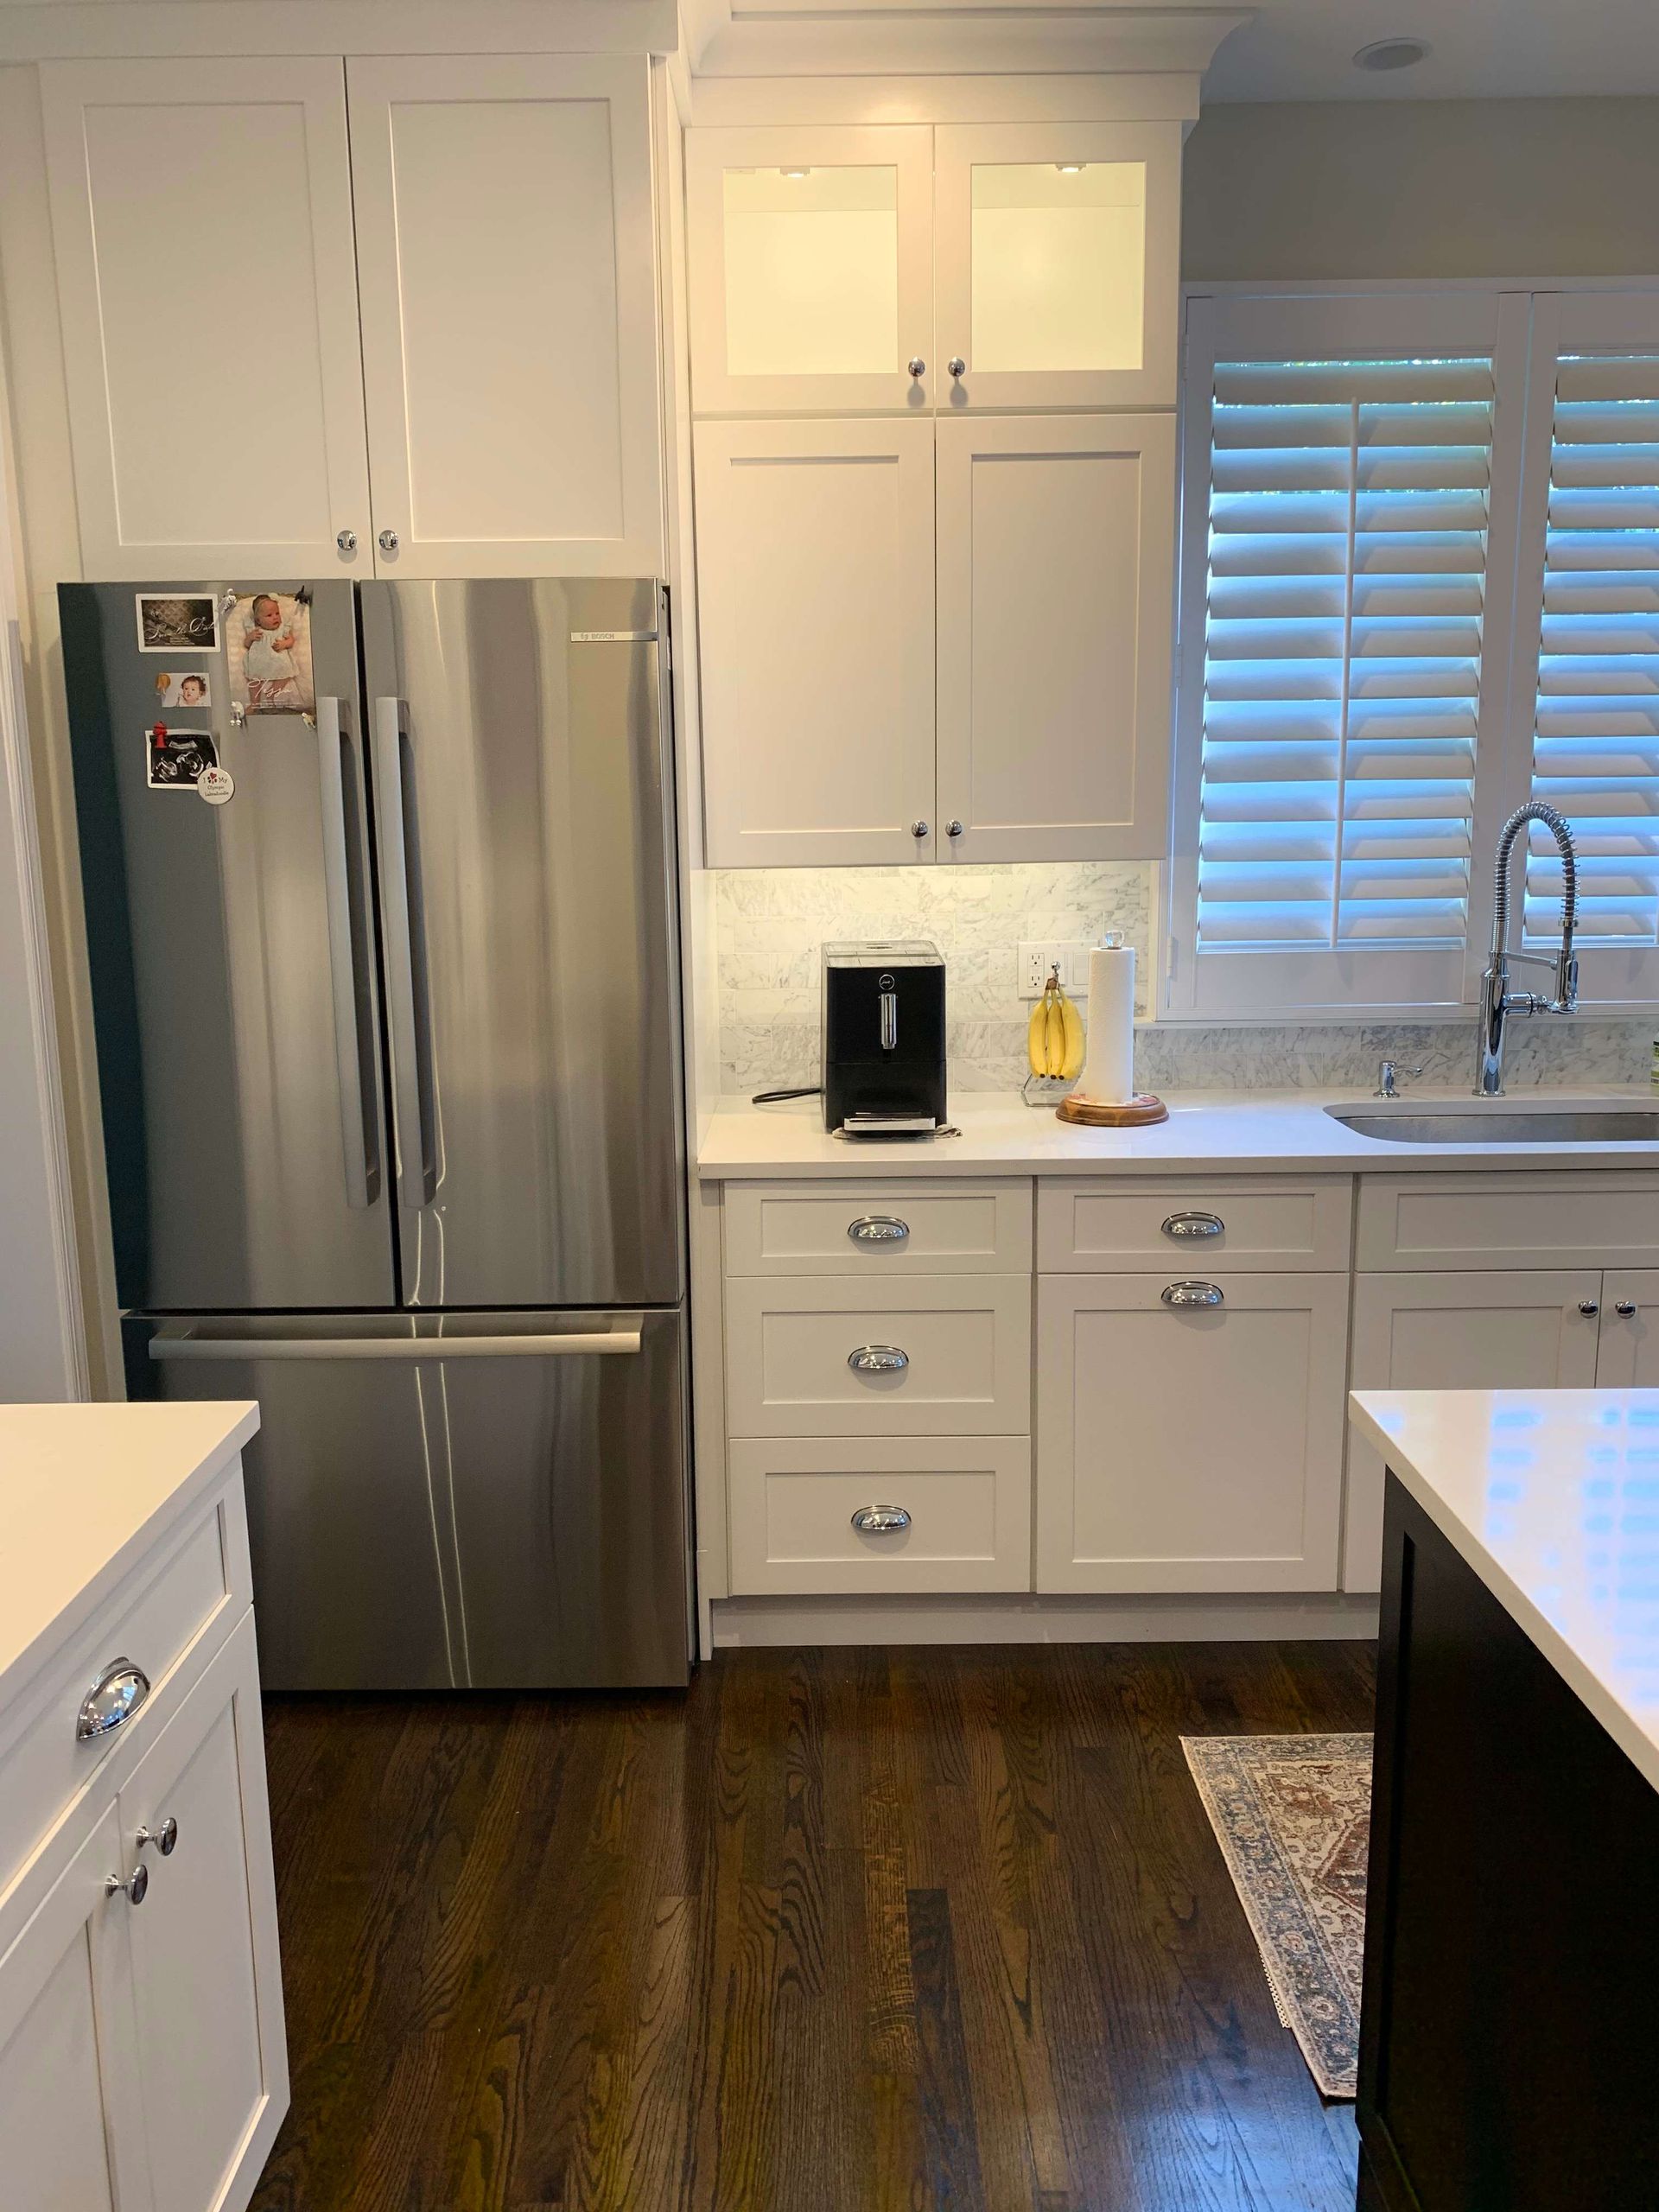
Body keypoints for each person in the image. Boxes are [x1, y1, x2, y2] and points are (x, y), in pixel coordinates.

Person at [242, 594, 300, 709]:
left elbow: (291, 640)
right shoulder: (255, 630)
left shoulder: (283, 628)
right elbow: (247, 644)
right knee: (254, 680)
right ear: (258, 621)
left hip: (278, 659)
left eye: (277, 613)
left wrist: (284, 644)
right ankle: (255, 703)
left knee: (287, 672)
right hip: (259, 661)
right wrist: (250, 637)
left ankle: (271, 693)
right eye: (269, 615)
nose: (275, 617)